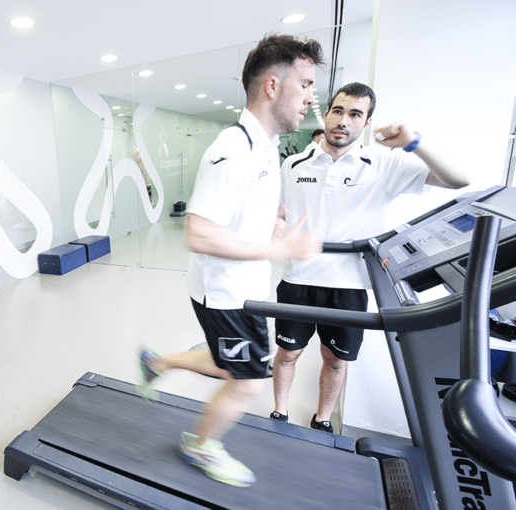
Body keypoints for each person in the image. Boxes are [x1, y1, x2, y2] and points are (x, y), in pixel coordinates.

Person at [136, 34, 324, 488]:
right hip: (227, 293)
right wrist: (279, 250)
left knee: (236, 363)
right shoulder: (233, 148)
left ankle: (159, 362)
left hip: (241, 287)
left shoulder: (265, 146)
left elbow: (234, 216)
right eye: (304, 85)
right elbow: (199, 232)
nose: (310, 97)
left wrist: (268, 226)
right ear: (273, 86)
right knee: (247, 381)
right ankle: (199, 445)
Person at [269, 82, 470, 432]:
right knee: (288, 353)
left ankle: (322, 418)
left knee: (335, 360)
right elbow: (281, 210)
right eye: (338, 111)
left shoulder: (383, 163)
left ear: (367, 122)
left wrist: (413, 142)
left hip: (349, 285)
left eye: (354, 114)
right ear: (327, 114)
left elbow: (459, 180)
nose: (343, 121)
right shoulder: (294, 164)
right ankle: (279, 412)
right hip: (298, 278)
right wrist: (277, 224)